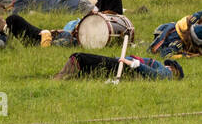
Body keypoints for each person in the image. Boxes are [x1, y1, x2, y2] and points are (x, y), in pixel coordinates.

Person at [53, 53, 183, 80]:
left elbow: (154, 75)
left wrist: (131, 63)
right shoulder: (160, 66)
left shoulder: (168, 74)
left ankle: (61, 77)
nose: (169, 67)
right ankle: (65, 77)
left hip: (127, 69)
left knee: (81, 58)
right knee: (88, 66)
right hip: (124, 66)